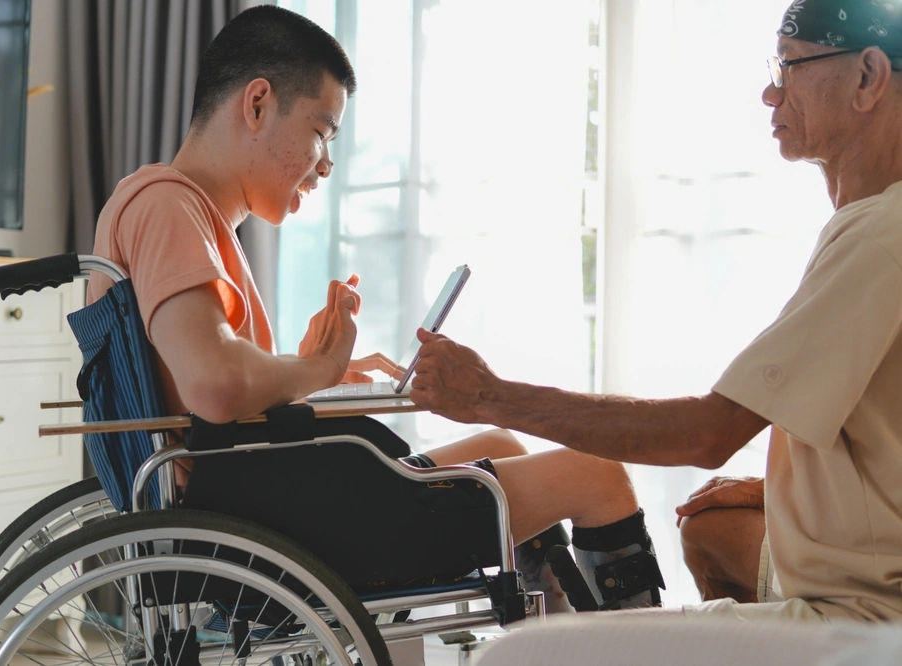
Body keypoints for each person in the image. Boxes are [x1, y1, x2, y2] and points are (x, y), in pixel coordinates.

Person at [85, 5, 665, 612]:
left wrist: (303, 374)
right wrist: (321, 369)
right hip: (280, 528)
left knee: (505, 445)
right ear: (256, 105)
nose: (327, 164)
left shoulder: (187, 216)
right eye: (320, 132)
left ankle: (561, 643)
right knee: (597, 474)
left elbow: (207, 394)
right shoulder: (166, 206)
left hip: (272, 503)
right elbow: (216, 385)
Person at [410, 0, 902, 622]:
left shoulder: (880, 240)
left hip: (864, 616)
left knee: (532, 654)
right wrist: (787, 492)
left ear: (867, 77)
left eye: (790, 67)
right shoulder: (870, 226)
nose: (769, 94)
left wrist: (488, 395)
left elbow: (708, 433)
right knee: (711, 528)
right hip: (867, 568)